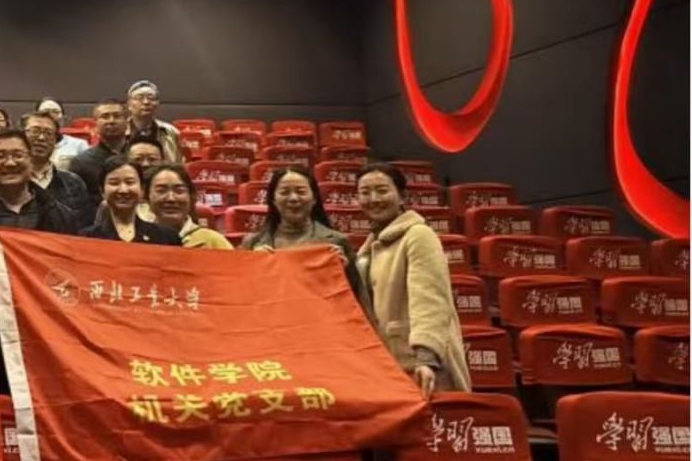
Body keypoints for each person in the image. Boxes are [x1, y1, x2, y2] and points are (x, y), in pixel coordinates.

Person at [357, 164, 470, 395]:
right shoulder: (370, 245)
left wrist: (426, 357)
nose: (373, 199)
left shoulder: (419, 235)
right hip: (391, 365)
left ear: (402, 197)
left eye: (382, 190)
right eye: (365, 192)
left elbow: (430, 299)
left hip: (423, 366)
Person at [243, 167, 363, 301]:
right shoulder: (252, 243)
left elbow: (355, 298)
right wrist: (251, 267)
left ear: (314, 198)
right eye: (284, 192)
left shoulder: (336, 241)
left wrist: (344, 271)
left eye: (301, 192)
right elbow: (240, 296)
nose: (293, 198)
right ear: (273, 200)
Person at [0, 128, 76, 232]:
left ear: (31, 161)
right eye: (0, 156)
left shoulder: (62, 216)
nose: (10, 163)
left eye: (18, 155)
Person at [80, 155, 181, 245]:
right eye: (114, 183)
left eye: (130, 182)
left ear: (142, 189)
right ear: (102, 191)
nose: (123, 190)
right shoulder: (86, 238)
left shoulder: (167, 237)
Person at [19, 110, 90, 226]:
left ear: (56, 141)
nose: (41, 138)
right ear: (21, 136)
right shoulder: (8, 180)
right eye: (35, 131)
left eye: (48, 133)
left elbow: (83, 226)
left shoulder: (73, 183)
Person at [145, 164, 232, 249]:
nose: (171, 198)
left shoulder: (213, 241)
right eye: (161, 191)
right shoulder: (141, 239)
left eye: (179, 191)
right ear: (146, 197)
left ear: (191, 196)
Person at [67, 99, 130, 202]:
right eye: (105, 116)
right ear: (95, 124)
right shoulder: (81, 162)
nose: (111, 121)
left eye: (117, 116)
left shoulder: (138, 157)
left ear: (127, 122)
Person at [124, 79, 183, 164]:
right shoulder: (120, 130)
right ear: (129, 104)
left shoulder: (171, 131)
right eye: (140, 98)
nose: (146, 102)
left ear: (158, 103)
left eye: (151, 98)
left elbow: (178, 163)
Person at [38, 99, 88, 166]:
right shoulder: (27, 145)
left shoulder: (79, 145)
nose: (51, 116)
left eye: (55, 112)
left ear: (63, 117)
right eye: (45, 112)